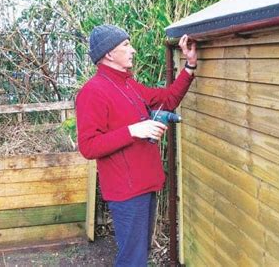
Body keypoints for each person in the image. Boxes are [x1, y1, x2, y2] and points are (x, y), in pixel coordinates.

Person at [76, 24, 197, 267]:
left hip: (145, 184)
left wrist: (190, 65)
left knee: (140, 254)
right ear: (109, 53)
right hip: (126, 192)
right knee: (133, 259)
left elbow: (168, 99)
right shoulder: (92, 92)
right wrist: (134, 130)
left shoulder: (129, 85)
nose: (132, 50)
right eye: (126, 45)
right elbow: (88, 146)